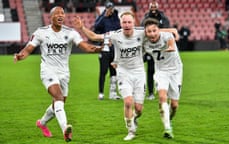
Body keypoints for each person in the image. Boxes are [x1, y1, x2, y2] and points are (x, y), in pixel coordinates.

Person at [73, 11, 178, 141]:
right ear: (120, 23)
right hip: (123, 73)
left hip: (139, 73)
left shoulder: (142, 32)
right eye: (124, 22)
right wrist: (82, 27)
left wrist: (172, 30)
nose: (127, 24)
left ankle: (134, 118)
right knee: (128, 102)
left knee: (139, 109)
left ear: (134, 23)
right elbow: (95, 37)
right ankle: (131, 130)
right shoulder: (115, 35)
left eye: (129, 22)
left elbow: (156, 30)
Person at [14, 6, 102, 142]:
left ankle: (42, 123)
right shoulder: (41, 32)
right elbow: (29, 48)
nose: (61, 15)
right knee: (59, 97)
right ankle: (65, 130)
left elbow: (86, 47)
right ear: (51, 17)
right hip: (47, 70)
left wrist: (101, 49)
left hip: (64, 73)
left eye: (62, 13)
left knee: (59, 103)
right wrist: (20, 55)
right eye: (57, 13)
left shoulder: (71, 33)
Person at [143, 18, 183, 139]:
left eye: (154, 30)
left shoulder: (166, 36)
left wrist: (170, 47)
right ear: (145, 32)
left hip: (176, 71)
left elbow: (171, 43)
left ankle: (168, 119)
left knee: (174, 106)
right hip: (161, 72)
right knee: (161, 97)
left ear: (158, 30)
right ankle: (167, 128)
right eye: (149, 31)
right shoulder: (144, 42)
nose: (152, 34)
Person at [141, 0, 170, 100]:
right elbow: (142, 30)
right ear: (149, 8)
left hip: (161, 46)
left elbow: (167, 29)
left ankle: (163, 89)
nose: (153, 9)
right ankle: (150, 92)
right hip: (150, 46)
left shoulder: (163, 17)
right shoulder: (146, 18)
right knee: (150, 70)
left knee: (162, 70)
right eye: (151, 7)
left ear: (157, 7)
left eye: (154, 7)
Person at [93, 1, 121, 100]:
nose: (110, 10)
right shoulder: (101, 17)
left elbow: (119, 29)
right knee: (103, 71)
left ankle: (112, 93)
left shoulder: (116, 17)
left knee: (114, 70)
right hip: (104, 48)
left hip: (114, 48)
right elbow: (96, 28)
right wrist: (104, 16)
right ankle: (101, 92)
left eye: (111, 8)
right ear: (105, 8)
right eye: (109, 8)